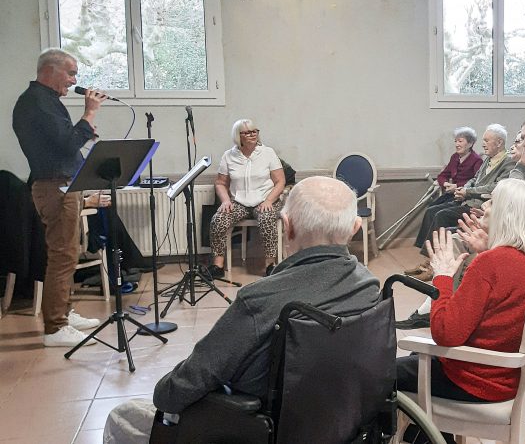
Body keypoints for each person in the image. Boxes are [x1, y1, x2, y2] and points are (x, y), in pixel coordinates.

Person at [103, 176, 380, 443]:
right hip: (341, 421)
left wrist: (165, 388)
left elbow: (178, 390)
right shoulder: (368, 286)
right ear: (355, 227)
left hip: (255, 428)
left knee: (122, 416)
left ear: (287, 226)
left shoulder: (259, 299)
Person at [395, 178, 525, 441]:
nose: (485, 205)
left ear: (507, 213)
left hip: (478, 380)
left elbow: (446, 334)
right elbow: (509, 286)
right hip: (521, 377)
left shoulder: (491, 264)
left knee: (378, 375)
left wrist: (444, 276)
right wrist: (489, 250)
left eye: (492, 201)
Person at [12, 47, 108, 347]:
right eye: (70, 73)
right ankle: (55, 327)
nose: (73, 80)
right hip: (55, 187)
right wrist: (89, 114)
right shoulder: (37, 103)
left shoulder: (47, 102)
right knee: (63, 255)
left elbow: (61, 142)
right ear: (49, 70)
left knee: (69, 252)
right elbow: (66, 144)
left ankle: (64, 312)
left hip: (65, 184)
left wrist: (83, 131)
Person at [411, 125, 509, 261]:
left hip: (481, 207)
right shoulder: (488, 159)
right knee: (433, 209)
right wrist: (463, 189)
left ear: (499, 143)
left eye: (486, 141)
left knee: (441, 215)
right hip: (465, 198)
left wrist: (466, 191)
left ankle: (433, 260)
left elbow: (496, 187)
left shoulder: (507, 161)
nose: (483, 144)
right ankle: (430, 258)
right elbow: (474, 178)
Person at [208, 119, 286, 278]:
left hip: (265, 200)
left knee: (267, 218)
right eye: (247, 132)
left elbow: (280, 181)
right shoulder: (229, 156)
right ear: (238, 136)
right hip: (239, 202)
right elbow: (221, 183)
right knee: (218, 220)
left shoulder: (268, 153)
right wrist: (225, 201)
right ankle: (217, 266)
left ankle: (270, 265)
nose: (252, 135)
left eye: (254, 131)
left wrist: (269, 200)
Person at [430, 126, 484, 207]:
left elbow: (476, 182)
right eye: (456, 141)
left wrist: (456, 186)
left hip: (464, 197)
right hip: (452, 194)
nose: (457, 144)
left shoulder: (477, 160)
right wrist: (445, 184)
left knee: (435, 211)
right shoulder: (454, 157)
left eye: (460, 141)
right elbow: (442, 175)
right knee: (430, 207)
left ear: (470, 143)